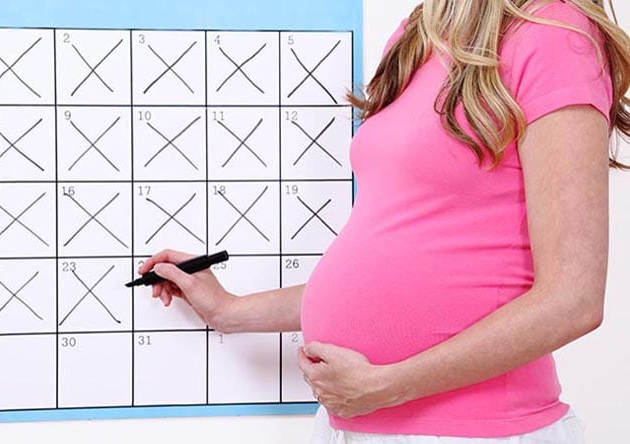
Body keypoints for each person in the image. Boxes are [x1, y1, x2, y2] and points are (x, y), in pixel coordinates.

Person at [139, 0, 630, 442]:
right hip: (354, 423)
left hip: (475, 431)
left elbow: (573, 301)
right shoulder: (418, 35)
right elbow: (403, 266)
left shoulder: (554, 33)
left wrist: (390, 386)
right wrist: (229, 311)